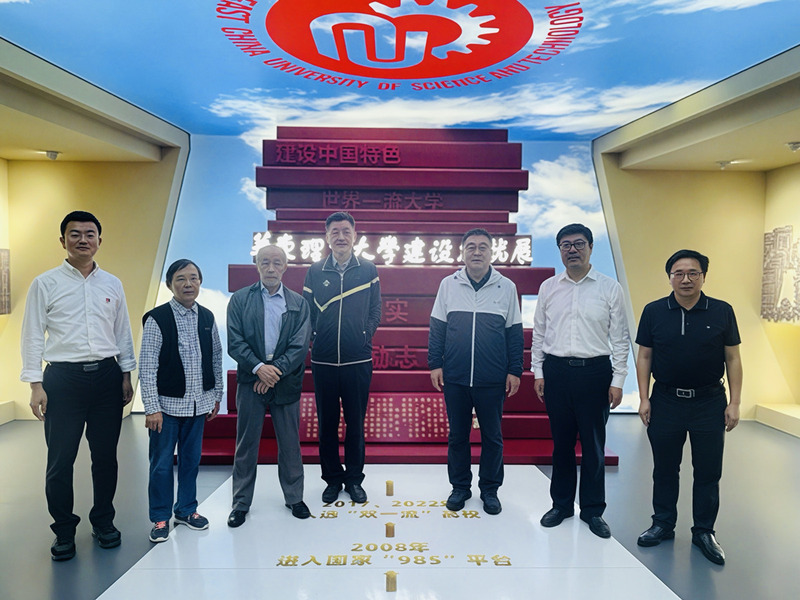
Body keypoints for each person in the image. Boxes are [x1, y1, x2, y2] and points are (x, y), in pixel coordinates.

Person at [20, 211, 136, 561]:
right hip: (62, 381)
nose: (83, 239)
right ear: (63, 241)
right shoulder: (45, 283)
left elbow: (122, 332)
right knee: (60, 461)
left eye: (89, 234)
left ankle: (103, 521)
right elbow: (32, 335)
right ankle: (64, 531)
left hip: (106, 378)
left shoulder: (112, 283)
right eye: (75, 234)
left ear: (99, 240)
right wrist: (35, 384)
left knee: (106, 458)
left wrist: (126, 375)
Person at [635, 249, 741, 565]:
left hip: (709, 401)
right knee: (665, 468)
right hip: (666, 400)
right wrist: (644, 398)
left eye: (693, 273)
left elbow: (733, 357)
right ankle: (662, 524)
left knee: (708, 471)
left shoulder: (722, 311)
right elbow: (645, 356)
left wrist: (735, 402)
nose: (685, 279)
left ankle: (704, 531)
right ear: (670, 277)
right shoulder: (654, 311)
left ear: (703, 276)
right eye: (678, 273)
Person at [531, 223, 629, 538]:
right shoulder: (549, 287)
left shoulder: (609, 288)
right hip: (557, 372)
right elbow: (539, 333)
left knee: (593, 445)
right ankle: (561, 505)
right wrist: (538, 372)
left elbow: (620, 338)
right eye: (565, 245)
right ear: (559, 250)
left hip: (595, 373)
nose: (572, 250)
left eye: (578, 244)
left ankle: (592, 511)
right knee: (561, 445)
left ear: (590, 247)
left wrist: (618, 379)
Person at [428, 228, 523, 515]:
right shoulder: (449, 284)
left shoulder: (506, 287)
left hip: (492, 378)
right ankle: (460, 487)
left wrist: (515, 370)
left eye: (483, 247)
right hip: (455, 376)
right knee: (458, 436)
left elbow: (514, 333)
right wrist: (435, 364)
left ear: (492, 252)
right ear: (463, 252)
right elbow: (437, 328)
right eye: (471, 247)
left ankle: (490, 490)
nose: (477, 252)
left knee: (492, 437)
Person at [227, 245, 312, 526]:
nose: (271, 268)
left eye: (277, 262)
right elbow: (235, 341)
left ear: (285, 266)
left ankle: (294, 498)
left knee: (289, 444)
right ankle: (240, 503)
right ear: (257, 265)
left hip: (285, 380)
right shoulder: (240, 300)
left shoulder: (298, 302)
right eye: (265, 262)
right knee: (246, 443)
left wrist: (274, 371)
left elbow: (300, 345)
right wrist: (259, 368)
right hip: (251, 379)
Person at [139, 259, 223, 543]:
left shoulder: (207, 317)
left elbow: (215, 357)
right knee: (161, 465)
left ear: (200, 282)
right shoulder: (157, 318)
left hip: (199, 406)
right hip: (166, 409)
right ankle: (160, 517)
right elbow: (147, 365)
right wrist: (152, 408)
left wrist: (216, 395)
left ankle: (186, 510)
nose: (188, 284)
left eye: (193, 278)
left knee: (190, 462)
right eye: (181, 279)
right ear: (170, 284)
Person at [303, 212, 381, 504]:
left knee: (355, 425)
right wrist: (315, 338)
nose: (340, 236)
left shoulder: (368, 270)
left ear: (354, 236)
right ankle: (333, 479)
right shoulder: (315, 271)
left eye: (346, 231)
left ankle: (354, 480)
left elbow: (376, 310)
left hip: (357, 362)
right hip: (323, 362)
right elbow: (307, 313)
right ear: (327, 237)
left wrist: (365, 334)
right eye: (334, 231)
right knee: (327, 425)